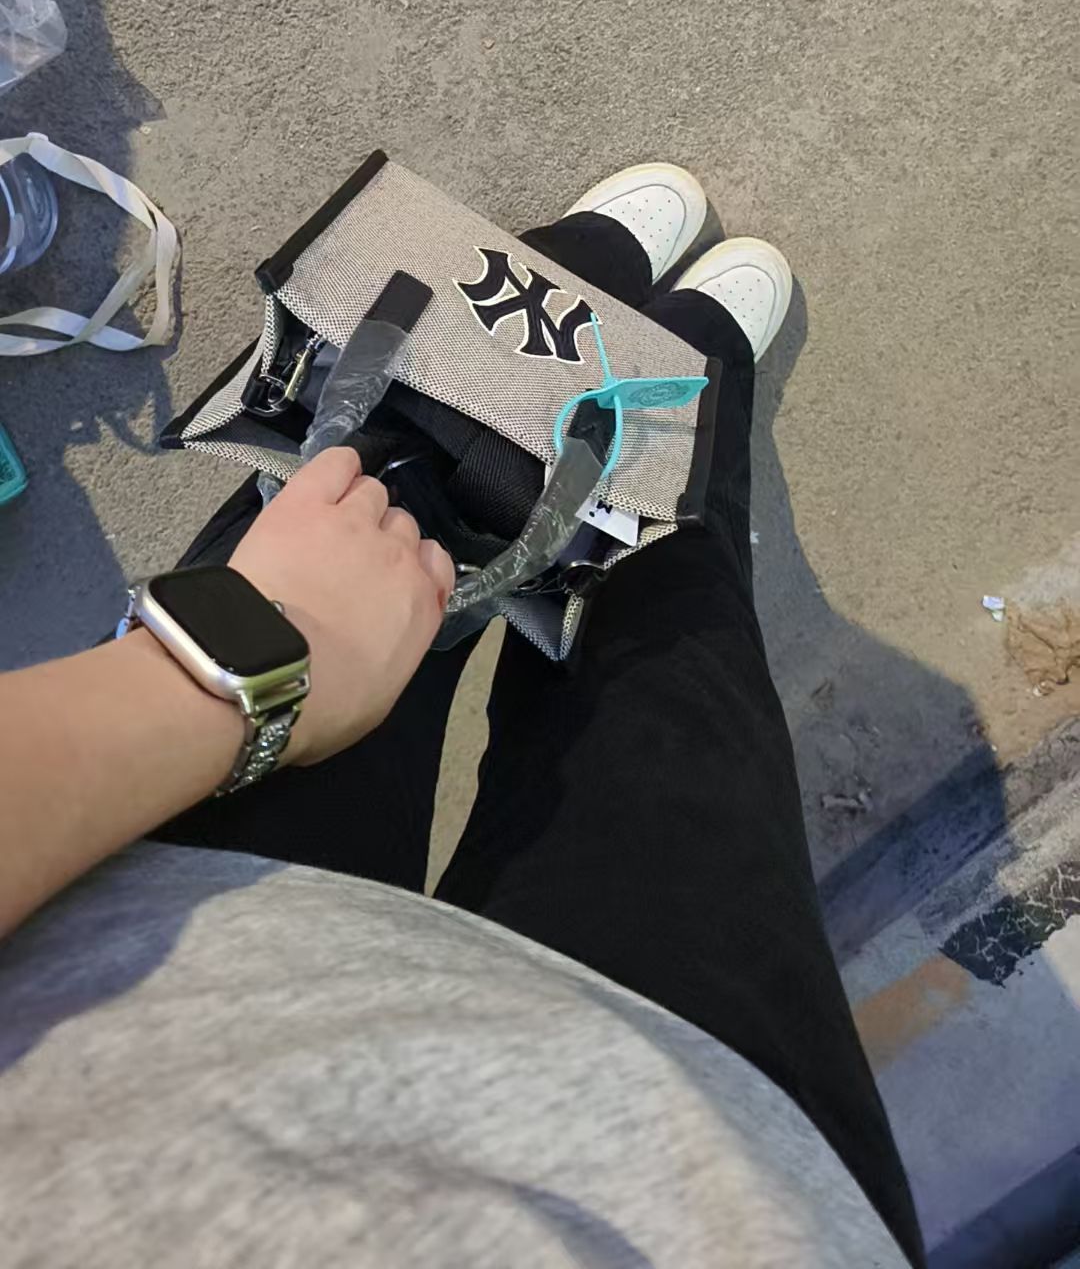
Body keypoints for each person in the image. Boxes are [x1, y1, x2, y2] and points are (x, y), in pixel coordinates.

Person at [0, 164, 924, 1267]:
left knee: (375, 472)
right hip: (691, 1174)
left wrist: (215, 675)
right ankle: (685, 387)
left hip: (140, 964)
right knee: (672, 687)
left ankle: (562, 307)